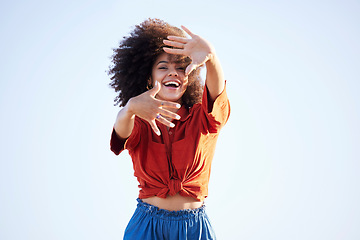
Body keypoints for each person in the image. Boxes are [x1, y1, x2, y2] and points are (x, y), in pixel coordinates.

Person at [108, 18, 230, 240]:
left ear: (188, 78)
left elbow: (217, 94)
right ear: (149, 78)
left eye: (180, 68)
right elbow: (121, 132)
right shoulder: (138, 121)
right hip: (147, 225)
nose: (173, 73)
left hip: (194, 228)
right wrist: (130, 108)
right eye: (163, 67)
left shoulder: (202, 119)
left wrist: (211, 57)